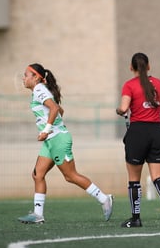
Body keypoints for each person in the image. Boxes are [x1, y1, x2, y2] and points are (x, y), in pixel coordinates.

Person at [18, 63, 113, 224]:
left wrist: (46, 130)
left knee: (70, 176)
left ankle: (104, 199)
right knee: (37, 175)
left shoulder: (40, 89)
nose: (23, 78)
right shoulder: (39, 91)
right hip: (51, 140)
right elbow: (59, 110)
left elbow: (54, 109)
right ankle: (38, 214)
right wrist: (50, 129)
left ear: (36, 77)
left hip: (57, 139)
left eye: (26, 75)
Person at [116, 52, 160, 228]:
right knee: (158, 177)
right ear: (148, 66)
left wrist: (119, 110)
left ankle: (135, 218)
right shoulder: (157, 83)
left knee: (134, 179)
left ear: (131, 68)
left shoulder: (129, 85)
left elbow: (124, 107)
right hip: (157, 132)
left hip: (138, 132)